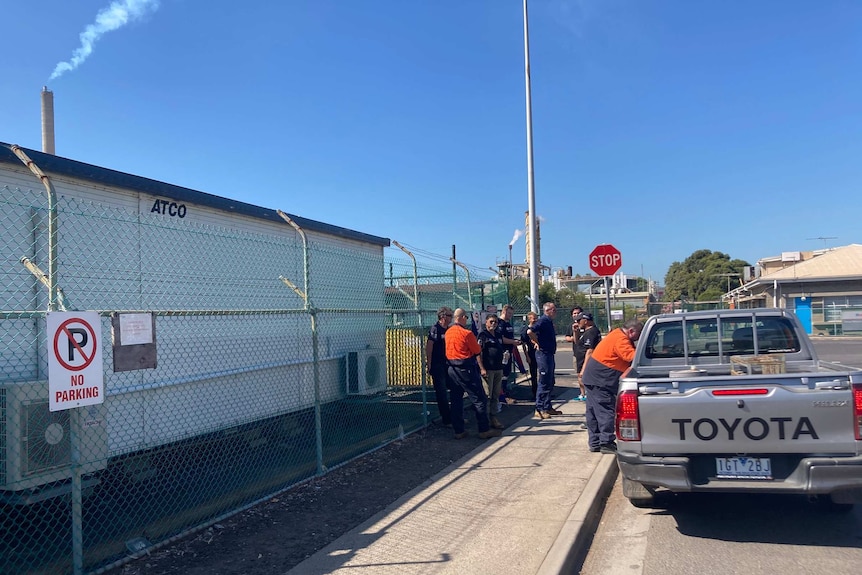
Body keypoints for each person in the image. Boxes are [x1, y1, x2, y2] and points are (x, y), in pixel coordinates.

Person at [582, 319, 644, 454]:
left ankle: (595, 442)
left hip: (593, 378)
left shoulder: (616, 333)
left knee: (593, 412)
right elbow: (631, 357)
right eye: (639, 334)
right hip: (601, 380)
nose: (639, 337)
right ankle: (606, 442)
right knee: (605, 410)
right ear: (631, 331)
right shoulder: (621, 340)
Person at [445, 308, 502, 439]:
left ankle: (458, 430)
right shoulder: (466, 333)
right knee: (479, 399)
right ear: (462, 317)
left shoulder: (448, 332)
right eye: (466, 317)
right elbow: (476, 350)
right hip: (465, 368)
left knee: (456, 400)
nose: (467, 320)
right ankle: (484, 429)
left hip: (451, 368)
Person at [527, 302, 558, 419]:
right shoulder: (543, 321)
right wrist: (537, 342)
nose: (555, 312)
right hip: (543, 354)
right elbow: (530, 331)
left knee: (550, 381)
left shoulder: (548, 322)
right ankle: (539, 408)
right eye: (553, 310)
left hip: (549, 354)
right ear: (547, 311)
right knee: (544, 381)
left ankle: (547, 406)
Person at [425, 306, 456, 427]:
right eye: (449, 316)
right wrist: (430, 363)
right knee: (442, 392)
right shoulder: (435, 329)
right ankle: (447, 419)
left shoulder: (449, 329)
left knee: (455, 388)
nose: (451, 318)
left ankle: (455, 416)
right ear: (442, 317)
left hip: (449, 364)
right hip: (438, 365)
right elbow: (429, 346)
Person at [476, 314, 506, 429]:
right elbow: (478, 353)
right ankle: (485, 420)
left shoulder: (498, 335)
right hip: (488, 369)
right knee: (487, 395)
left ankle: (494, 417)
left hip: (498, 368)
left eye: (496, 322)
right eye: (491, 322)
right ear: (486, 322)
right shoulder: (483, 335)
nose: (493, 324)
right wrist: (482, 368)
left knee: (495, 394)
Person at [575, 312, 602, 401]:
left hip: (587, 363)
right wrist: (576, 332)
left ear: (585, 321)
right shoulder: (585, 332)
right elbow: (577, 342)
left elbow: (590, 351)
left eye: (579, 320)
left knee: (588, 383)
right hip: (581, 361)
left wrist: (583, 369)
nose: (577, 322)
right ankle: (586, 396)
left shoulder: (591, 332)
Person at [497, 304, 518, 405]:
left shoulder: (508, 323)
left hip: (509, 352)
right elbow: (501, 339)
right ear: (504, 311)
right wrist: (513, 342)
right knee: (502, 374)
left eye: (511, 314)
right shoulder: (499, 323)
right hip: (502, 352)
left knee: (506, 373)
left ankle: (505, 393)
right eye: (509, 313)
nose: (510, 315)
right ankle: (501, 396)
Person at [564, 306, 584, 397]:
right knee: (579, 374)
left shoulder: (585, 324)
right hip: (577, 353)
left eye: (578, 313)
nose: (576, 315)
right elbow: (567, 337)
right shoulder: (571, 326)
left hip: (587, 353)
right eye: (574, 313)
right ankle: (582, 393)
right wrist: (573, 338)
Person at [520, 311, 539, 400]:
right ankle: (535, 393)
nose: (535, 320)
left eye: (536, 318)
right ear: (529, 319)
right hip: (532, 353)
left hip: (540, 352)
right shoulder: (525, 331)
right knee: (534, 374)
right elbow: (524, 345)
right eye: (533, 318)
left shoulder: (539, 328)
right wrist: (527, 356)